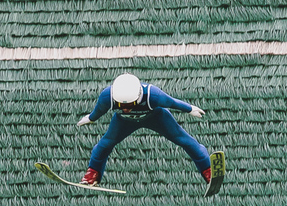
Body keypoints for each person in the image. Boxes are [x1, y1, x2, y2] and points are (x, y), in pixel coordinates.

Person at [77, 73, 211, 186]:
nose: (126, 109)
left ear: (139, 95)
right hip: (124, 121)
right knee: (104, 144)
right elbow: (99, 110)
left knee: (184, 140)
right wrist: (91, 118)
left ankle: (207, 169)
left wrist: (190, 109)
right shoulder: (107, 97)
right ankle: (93, 174)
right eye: (121, 105)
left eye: (131, 104)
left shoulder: (153, 95)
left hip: (156, 118)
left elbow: (172, 103)